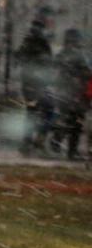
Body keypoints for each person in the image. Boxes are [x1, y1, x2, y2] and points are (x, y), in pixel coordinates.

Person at [16, 19, 55, 156]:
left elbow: (18, 58)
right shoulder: (42, 43)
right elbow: (49, 63)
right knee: (46, 110)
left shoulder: (28, 41)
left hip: (28, 84)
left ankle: (28, 142)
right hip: (38, 83)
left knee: (31, 112)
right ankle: (37, 140)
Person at [53, 29, 90, 161]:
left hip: (62, 93)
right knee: (76, 123)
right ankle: (71, 151)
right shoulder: (78, 55)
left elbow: (55, 71)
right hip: (75, 94)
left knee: (65, 120)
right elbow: (86, 73)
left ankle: (56, 143)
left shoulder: (61, 54)